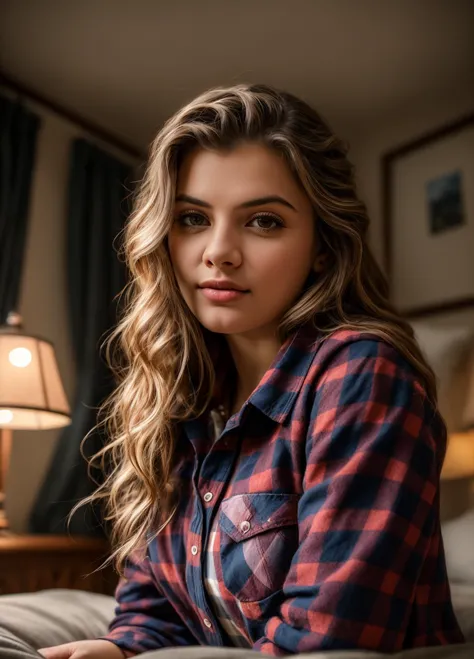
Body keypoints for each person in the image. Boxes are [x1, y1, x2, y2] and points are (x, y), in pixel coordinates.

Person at [39, 84, 465, 659]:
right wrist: (126, 649)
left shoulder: (363, 374)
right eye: (192, 218)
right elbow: (157, 603)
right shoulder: (179, 396)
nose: (218, 251)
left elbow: (329, 639)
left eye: (263, 221)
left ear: (322, 245)